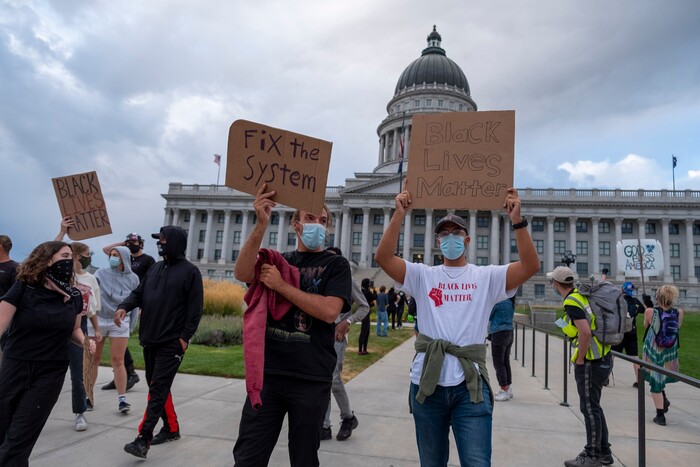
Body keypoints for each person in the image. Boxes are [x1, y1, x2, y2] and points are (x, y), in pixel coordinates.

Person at [375, 184, 539, 467]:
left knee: (477, 462)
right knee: (432, 462)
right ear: (437, 242)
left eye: (457, 233)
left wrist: (517, 221)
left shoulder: (486, 277)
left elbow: (530, 266)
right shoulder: (422, 275)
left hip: (469, 385)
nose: (451, 238)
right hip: (427, 383)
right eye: (444, 234)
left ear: (468, 240)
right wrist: (398, 215)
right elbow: (384, 259)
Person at [232, 184, 352, 467]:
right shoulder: (278, 261)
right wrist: (261, 224)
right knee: (248, 457)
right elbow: (242, 273)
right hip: (269, 376)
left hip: (310, 378)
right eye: (311, 218)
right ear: (296, 225)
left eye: (323, 221)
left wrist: (282, 287)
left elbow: (328, 311)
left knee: (304, 458)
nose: (317, 225)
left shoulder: (337, 266)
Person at [0, 241, 96, 465]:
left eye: (70, 257)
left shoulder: (74, 295)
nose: (68, 261)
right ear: (47, 260)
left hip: (50, 373)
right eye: (63, 255)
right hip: (15, 367)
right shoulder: (24, 287)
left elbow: (74, 329)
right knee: (3, 431)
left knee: (20, 438)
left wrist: (84, 341)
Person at [117, 225, 203, 459]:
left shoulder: (190, 272)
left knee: (157, 389)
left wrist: (184, 339)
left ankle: (142, 439)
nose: (159, 243)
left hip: (171, 343)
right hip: (150, 340)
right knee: (157, 387)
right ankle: (172, 428)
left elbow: (195, 311)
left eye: (163, 240)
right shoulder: (155, 268)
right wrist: (124, 306)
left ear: (174, 242)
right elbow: (139, 293)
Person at [548, 266, 613, 467]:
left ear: (556, 284)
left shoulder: (571, 301)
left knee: (589, 408)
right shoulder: (581, 296)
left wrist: (580, 359)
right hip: (603, 357)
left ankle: (591, 455)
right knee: (595, 407)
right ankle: (604, 452)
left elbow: (585, 333)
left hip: (591, 362)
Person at [321, 247, 370, 441]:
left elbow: (364, 306)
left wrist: (347, 322)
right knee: (322, 380)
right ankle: (324, 426)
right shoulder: (320, 280)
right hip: (319, 336)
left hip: (337, 336)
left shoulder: (347, 281)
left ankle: (348, 417)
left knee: (333, 379)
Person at [101, 232, 155, 391]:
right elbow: (106, 250)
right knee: (115, 338)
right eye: (129, 242)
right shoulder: (123, 256)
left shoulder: (147, 260)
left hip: (133, 304)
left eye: (134, 241)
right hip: (117, 303)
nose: (132, 244)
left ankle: (129, 372)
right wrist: (123, 244)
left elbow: (150, 283)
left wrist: (142, 306)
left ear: (141, 243)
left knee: (118, 337)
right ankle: (121, 375)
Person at [92, 246, 140, 414]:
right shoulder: (100, 273)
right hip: (98, 319)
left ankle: (122, 400)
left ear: (124, 258)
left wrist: (131, 325)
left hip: (120, 321)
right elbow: (92, 295)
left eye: (116, 255)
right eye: (111, 255)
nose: (112, 258)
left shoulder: (133, 278)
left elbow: (135, 304)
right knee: (94, 359)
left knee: (118, 360)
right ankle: (88, 397)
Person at [642, 285, 683, 426]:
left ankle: (660, 415)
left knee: (655, 382)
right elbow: (677, 329)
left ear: (658, 297)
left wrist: (649, 307)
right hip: (670, 351)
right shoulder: (679, 312)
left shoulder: (650, 312)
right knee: (660, 377)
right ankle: (663, 398)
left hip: (654, 349)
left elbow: (646, 326)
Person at [611, 281, 645, 387]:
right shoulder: (635, 301)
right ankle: (639, 381)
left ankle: (605, 378)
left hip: (619, 331)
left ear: (623, 289)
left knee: (612, 355)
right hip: (631, 331)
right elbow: (643, 309)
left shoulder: (618, 300)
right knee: (634, 357)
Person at [488, 296, 515, 402]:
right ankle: (507, 387)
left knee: (498, 363)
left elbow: (489, 316)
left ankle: (504, 388)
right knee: (505, 361)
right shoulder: (509, 301)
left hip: (499, 333)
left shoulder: (498, 301)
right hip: (509, 332)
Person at [358, 278, 375, 355]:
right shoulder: (368, 292)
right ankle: (361, 350)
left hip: (363, 312)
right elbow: (375, 297)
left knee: (366, 331)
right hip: (366, 313)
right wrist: (374, 289)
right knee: (364, 332)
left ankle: (363, 349)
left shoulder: (361, 292)